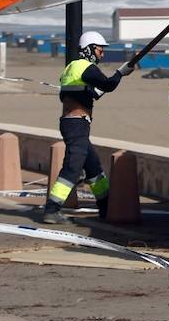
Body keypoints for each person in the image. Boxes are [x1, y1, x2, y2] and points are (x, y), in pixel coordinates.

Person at [38, 30, 132, 224]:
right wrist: (121, 73)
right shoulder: (86, 67)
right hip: (76, 124)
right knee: (72, 167)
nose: (102, 54)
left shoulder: (72, 68)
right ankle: (52, 209)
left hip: (73, 123)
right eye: (100, 50)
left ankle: (106, 207)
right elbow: (107, 85)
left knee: (93, 168)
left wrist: (116, 77)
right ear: (89, 49)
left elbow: (93, 93)